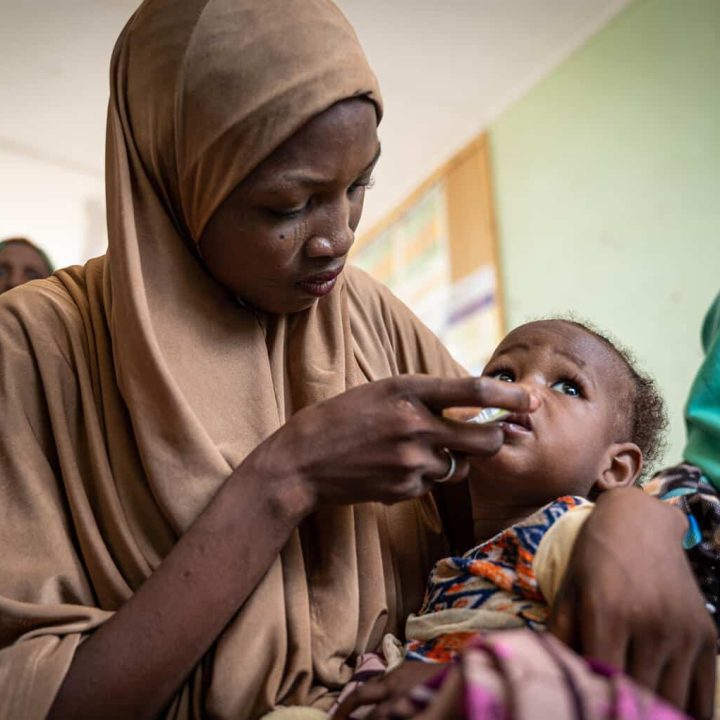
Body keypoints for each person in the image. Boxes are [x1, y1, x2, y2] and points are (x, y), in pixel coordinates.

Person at [0, 2, 714, 720]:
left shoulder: (363, 315)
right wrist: (287, 477)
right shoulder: (34, 349)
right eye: (289, 206)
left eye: (359, 185)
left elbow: (531, 498)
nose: (337, 239)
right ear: (172, 176)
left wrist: (633, 519)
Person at [333, 319, 686, 719]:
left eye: (568, 386)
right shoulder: (455, 554)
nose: (522, 390)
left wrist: (449, 678)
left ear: (616, 468)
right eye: (503, 374)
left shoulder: (572, 529)